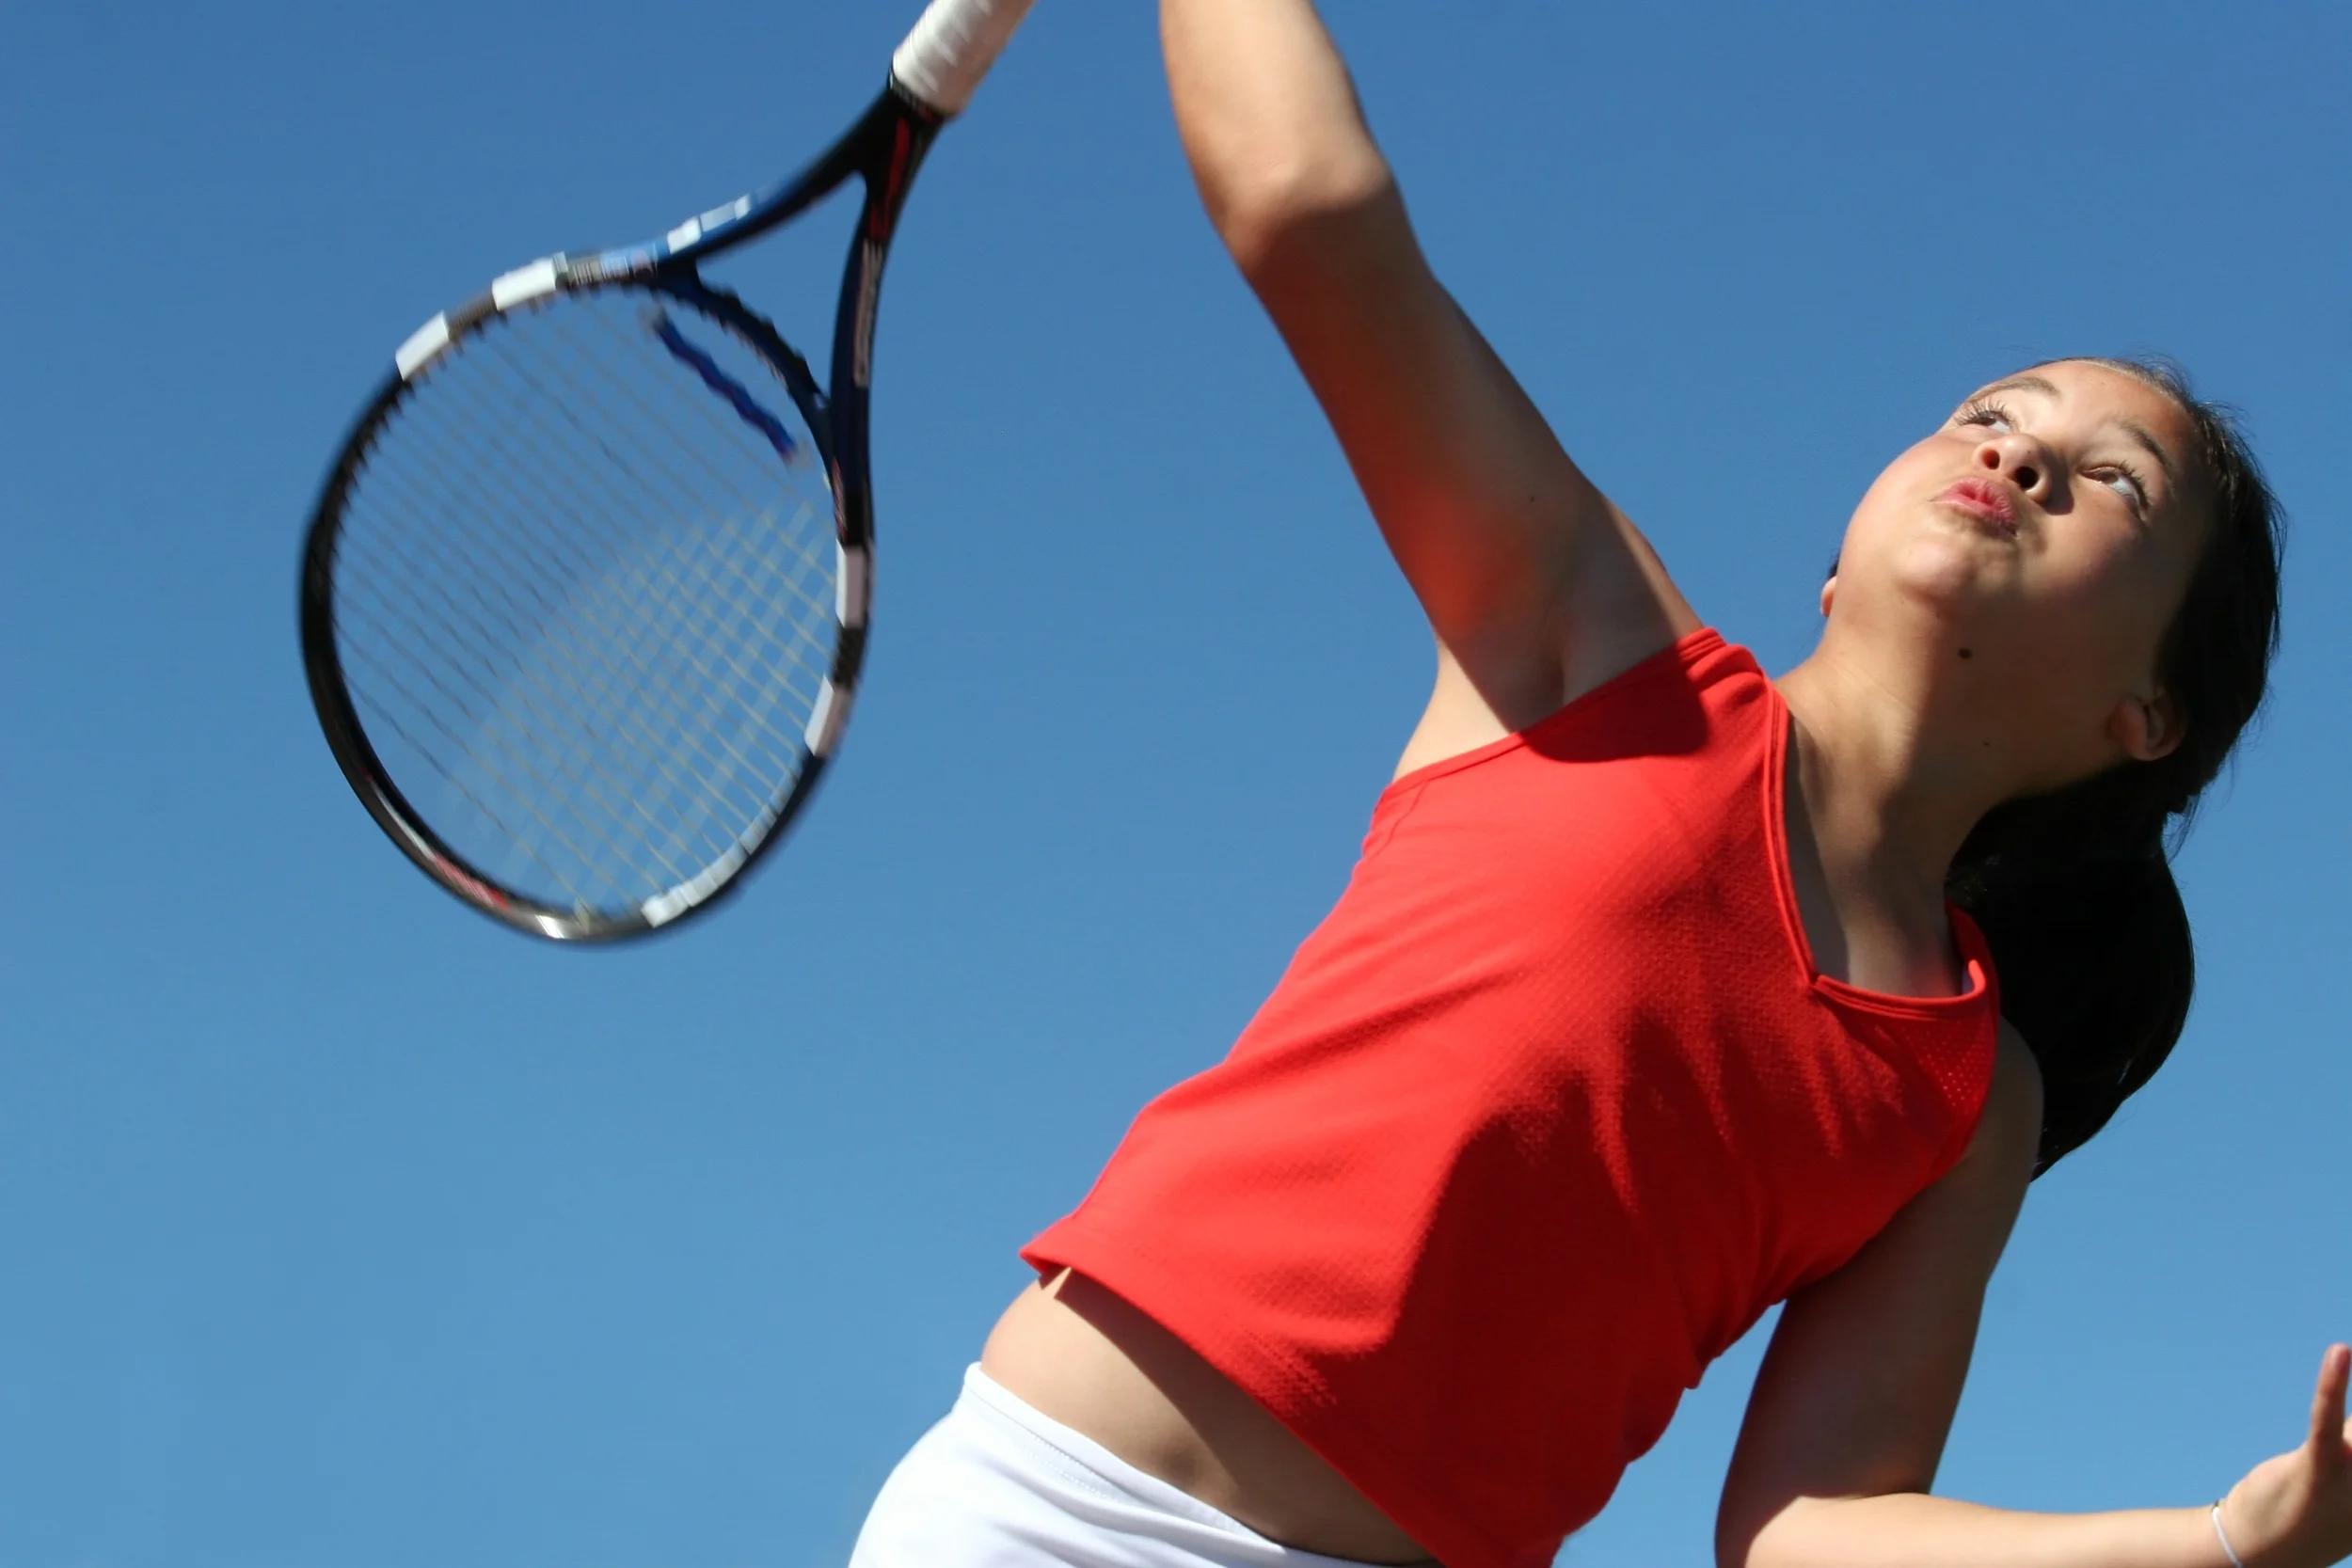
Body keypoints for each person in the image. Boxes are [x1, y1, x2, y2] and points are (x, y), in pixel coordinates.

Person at [850, 4, 2340, 1566]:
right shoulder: (1597, 645)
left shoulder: (1967, 1100)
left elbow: (1813, 1530)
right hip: (1046, 1509)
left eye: (2114, 481)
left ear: (2150, 713)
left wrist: (2231, 1537)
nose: (2022, 458)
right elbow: (1306, 202)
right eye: (1990, 415)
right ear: (1836, 563)